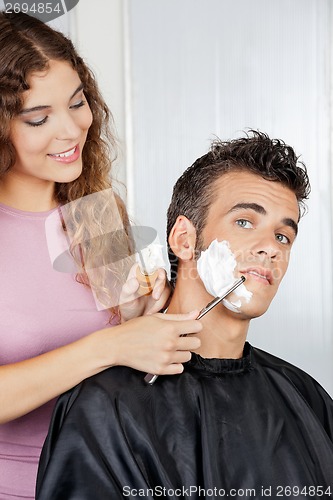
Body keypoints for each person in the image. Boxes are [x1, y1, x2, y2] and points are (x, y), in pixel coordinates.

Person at [36, 131, 333, 499]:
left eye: (283, 237)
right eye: (244, 222)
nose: (271, 248)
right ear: (184, 239)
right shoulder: (107, 405)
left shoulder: (308, 398)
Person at [0, 11, 203, 499]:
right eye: (39, 118)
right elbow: (108, 348)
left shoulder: (98, 212)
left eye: (77, 103)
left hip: (106, 480)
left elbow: (129, 344)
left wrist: (143, 312)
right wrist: (110, 346)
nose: (72, 130)